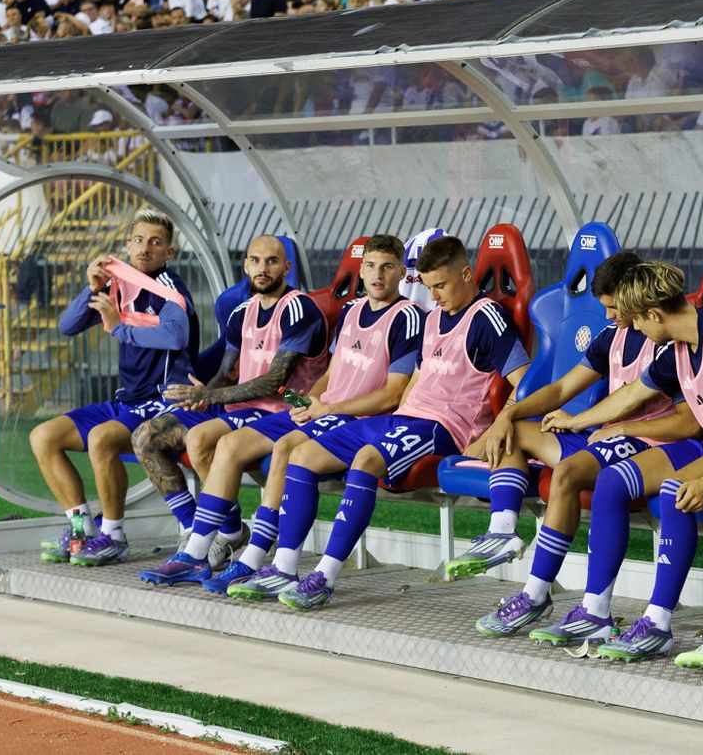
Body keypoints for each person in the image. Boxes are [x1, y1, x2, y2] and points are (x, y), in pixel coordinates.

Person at [542, 260, 703, 662]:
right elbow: (633, 394)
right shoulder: (679, 347)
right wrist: (578, 421)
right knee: (612, 482)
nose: (634, 329)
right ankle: (595, 610)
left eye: (637, 320)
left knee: (675, 491)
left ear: (654, 314)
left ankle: (658, 622)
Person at [137, 236, 422, 593]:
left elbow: (393, 394)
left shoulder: (407, 316)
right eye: (371, 266)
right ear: (361, 270)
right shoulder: (350, 309)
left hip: (349, 417)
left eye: (387, 267)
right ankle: (197, 553)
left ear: (402, 272)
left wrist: (323, 406)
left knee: (280, 449)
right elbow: (331, 373)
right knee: (223, 445)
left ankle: (255, 558)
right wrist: (311, 401)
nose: (377, 275)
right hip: (316, 409)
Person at [272, 236, 530, 610]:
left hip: (442, 427)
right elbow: (417, 380)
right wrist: (394, 416)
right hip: (404, 418)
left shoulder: (486, 317)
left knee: (366, 460)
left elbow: (527, 381)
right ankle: (283, 568)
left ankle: (324, 577)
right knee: (301, 455)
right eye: (428, 287)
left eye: (440, 286)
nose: (434, 296)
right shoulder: (434, 317)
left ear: (466, 274)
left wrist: (497, 425)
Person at [469, 252, 703, 639]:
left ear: (633, 296)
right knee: (514, 433)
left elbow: (689, 422)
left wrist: (617, 426)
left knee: (567, 474)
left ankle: (539, 595)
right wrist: (507, 415)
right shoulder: (612, 336)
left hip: (645, 441)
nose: (608, 315)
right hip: (607, 435)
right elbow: (562, 388)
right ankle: (502, 530)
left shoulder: (666, 342)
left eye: (614, 307)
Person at [131, 235, 329, 562]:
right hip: (238, 407)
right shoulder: (241, 312)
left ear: (287, 268)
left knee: (199, 441)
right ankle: (216, 527)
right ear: (246, 265)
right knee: (145, 437)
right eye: (256, 261)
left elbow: (274, 381)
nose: (263, 268)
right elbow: (227, 373)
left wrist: (211, 395)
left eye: (272, 261)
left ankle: (213, 541)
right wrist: (200, 395)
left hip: (282, 410)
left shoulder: (299, 308)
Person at [33, 211, 199, 566]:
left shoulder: (168, 287)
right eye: (138, 240)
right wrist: (92, 288)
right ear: (127, 245)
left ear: (168, 252)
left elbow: (176, 336)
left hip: (163, 402)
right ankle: (80, 530)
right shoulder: (118, 284)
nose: (145, 248)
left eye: (155, 242)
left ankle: (113, 536)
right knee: (44, 436)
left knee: (101, 438)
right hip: (128, 402)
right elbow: (68, 326)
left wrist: (119, 327)